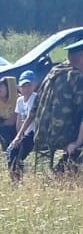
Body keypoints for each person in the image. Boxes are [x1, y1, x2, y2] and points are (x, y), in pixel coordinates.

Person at [31, 41, 83, 171]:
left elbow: (35, 104)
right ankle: (64, 171)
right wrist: (77, 142)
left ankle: (60, 170)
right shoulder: (77, 77)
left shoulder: (53, 72)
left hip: (42, 133)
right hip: (64, 134)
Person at [7, 71, 39, 177]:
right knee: (11, 151)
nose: (26, 88)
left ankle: (18, 174)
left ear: (34, 85)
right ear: (19, 87)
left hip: (34, 133)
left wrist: (19, 135)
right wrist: (18, 137)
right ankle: (13, 177)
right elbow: (19, 119)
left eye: (29, 85)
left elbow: (30, 118)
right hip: (23, 134)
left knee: (21, 152)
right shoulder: (20, 100)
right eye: (23, 86)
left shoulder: (35, 98)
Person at [0, 76, 18, 151]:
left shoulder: (17, 100)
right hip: (3, 125)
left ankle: (9, 151)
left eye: (1, 87)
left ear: (9, 89)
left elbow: (11, 122)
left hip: (16, 128)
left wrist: (2, 123)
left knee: (4, 129)